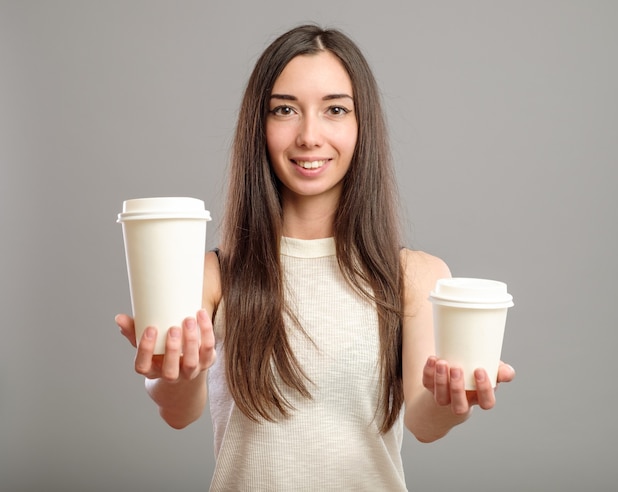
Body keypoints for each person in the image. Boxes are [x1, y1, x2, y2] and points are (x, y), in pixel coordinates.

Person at [116, 24, 515, 491]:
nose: (309, 135)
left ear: (361, 125)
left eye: (335, 110)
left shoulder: (414, 275)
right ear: (258, 126)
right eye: (285, 109)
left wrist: (453, 399)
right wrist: (173, 373)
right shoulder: (212, 276)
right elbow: (178, 412)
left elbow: (425, 424)